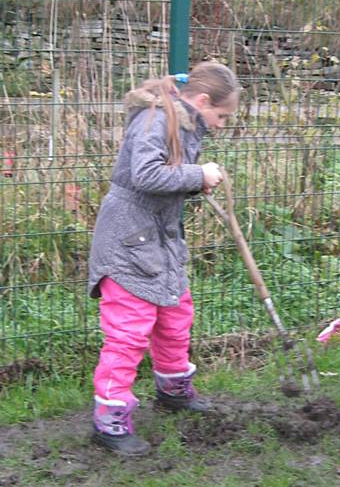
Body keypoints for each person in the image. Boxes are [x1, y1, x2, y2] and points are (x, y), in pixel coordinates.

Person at [88, 61, 241, 456]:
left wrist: (194, 181)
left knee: (175, 314)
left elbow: (166, 176)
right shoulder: (155, 119)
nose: (222, 124)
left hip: (157, 238)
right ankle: (110, 419)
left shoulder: (183, 119)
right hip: (127, 239)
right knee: (128, 331)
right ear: (203, 100)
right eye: (221, 115)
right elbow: (146, 176)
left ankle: (173, 389)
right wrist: (197, 175)